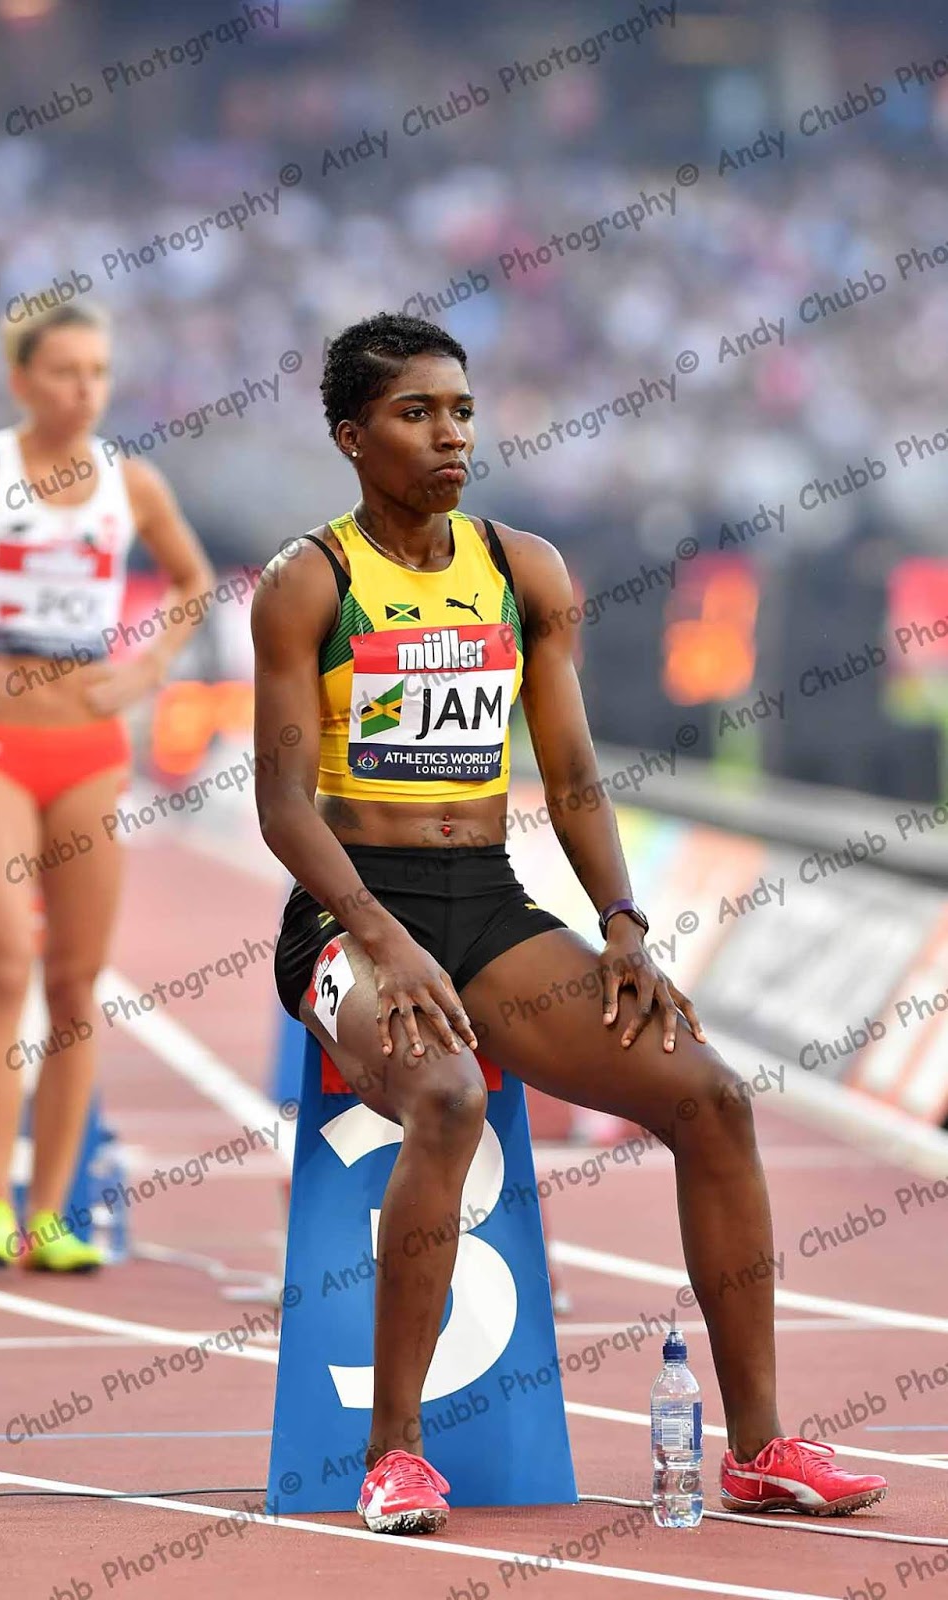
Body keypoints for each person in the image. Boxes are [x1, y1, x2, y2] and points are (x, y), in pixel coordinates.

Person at [251, 312, 888, 1535]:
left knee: (712, 1096)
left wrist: (623, 923)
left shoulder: (523, 570)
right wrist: (381, 937)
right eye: (415, 413)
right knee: (446, 1095)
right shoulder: (309, 582)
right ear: (351, 437)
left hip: (486, 900)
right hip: (347, 914)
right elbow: (283, 807)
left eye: (461, 410)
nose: (450, 434)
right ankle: (393, 1454)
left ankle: (757, 1447)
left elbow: (576, 776)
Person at [0, 302, 212, 1271]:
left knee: (74, 984)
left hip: (90, 752)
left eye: (98, 372)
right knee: (4, 965)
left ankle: (53, 1216)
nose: (84, 390)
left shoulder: (131, 481)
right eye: (65, 371)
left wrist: (148, 672)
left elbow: (192, 583)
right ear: (21, 379)